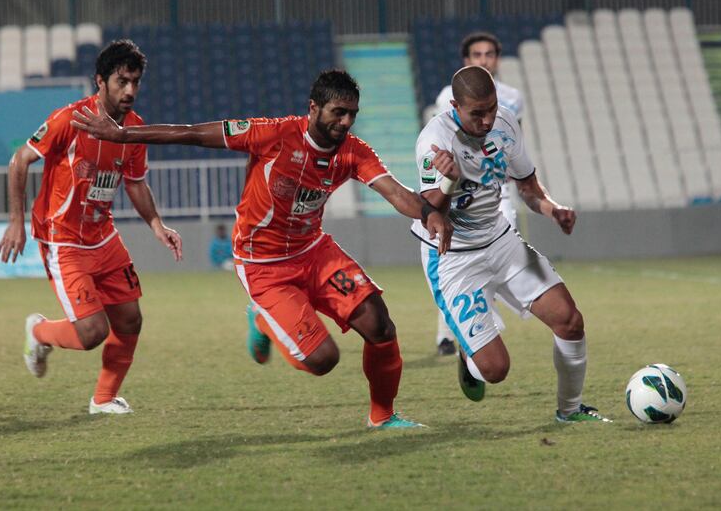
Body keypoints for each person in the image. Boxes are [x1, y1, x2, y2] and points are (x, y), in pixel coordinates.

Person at [71, 69, 453, 429]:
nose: (346, 122)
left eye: (352, 114)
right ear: (313, 108)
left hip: (313, 250)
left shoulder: (354, 150)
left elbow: (395, 192)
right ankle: (262, 320)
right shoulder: (272, 134)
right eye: (338, 113)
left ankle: (382, 418)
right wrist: (123, 135)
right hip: (263, 264)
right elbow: (189, 133)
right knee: (323, 360)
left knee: (379, 324)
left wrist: (426, 213)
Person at [413, 65, 609, 422]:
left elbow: (528, 186)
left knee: (570, 320)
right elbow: (428, 210)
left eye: (491, 107)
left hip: (501, 241)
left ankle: (570, 410)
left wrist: (553, 209)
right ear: (454, 105)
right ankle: (468, 352)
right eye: (478, 113)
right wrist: (448, 182)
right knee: (495, 369)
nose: (487, 120)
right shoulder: (434, 141)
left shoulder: (505, 123)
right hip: (454, 258)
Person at [0, 39, 183, 415]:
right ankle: (39, 332)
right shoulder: (70, 119)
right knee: (93, 332)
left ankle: (103, 400)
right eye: (121, 81)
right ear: (101, 81)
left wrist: (156, 224)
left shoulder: (134, 129)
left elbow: (134, 182)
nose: (130, 90)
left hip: (103, 235)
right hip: (62, 239)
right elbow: (20, 160)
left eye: (135, 82)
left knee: (130, 319)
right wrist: (16, 222)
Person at [432, 31, 524, 356]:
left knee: (497, 256)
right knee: (455, 261)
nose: (484, 60)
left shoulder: (513, 97)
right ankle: (450, 333)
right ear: (466, 61)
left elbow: (513, 140)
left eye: (489, 54)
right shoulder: (448, 96)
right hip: (463, 193)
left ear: (497, 58)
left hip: (499, 191)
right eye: (477, 55)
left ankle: (476, 330)